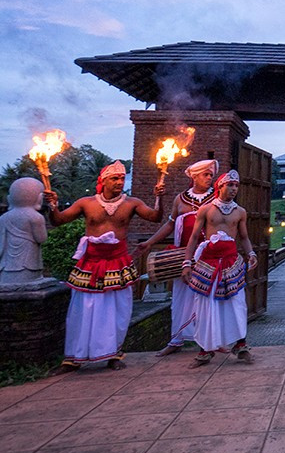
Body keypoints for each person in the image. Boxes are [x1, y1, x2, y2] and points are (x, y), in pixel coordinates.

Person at [46, 161, 165, 372]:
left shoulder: (131, 203)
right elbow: (58, 221)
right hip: (90, 263)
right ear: (103, 181)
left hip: (117, 262)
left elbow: (155, 218)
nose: (120, 182)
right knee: (83, 309)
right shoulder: (86, 203)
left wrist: (159, 197)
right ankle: (73, 358)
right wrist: (53, 206)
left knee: (116, 310)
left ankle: (113, 354)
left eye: (121, 178)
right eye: (115, 178)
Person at [138, 159, 218, 356]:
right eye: (205, 175)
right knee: (181, 299)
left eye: (211, 175)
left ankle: (209, 341)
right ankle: (176, 340)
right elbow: (169, 225)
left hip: (208, 256)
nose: (210, 178)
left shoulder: (216, 199)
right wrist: (149, 242)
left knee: (209, 299)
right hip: (184, 256)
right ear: (194, 176)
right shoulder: (180, 199)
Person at [181, 170, 259, 366]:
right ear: (220, 186)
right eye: (230, 185)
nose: (233, 189)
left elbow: (244, 237)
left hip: (231, 262)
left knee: (236, 304)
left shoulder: (240, 212)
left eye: (236, 186)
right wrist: (187, 262)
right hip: (209, 262)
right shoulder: (206, 210)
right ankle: (205, 350)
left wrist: (252, 254)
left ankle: (241, 345)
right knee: (207, 306)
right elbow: (193, 238)